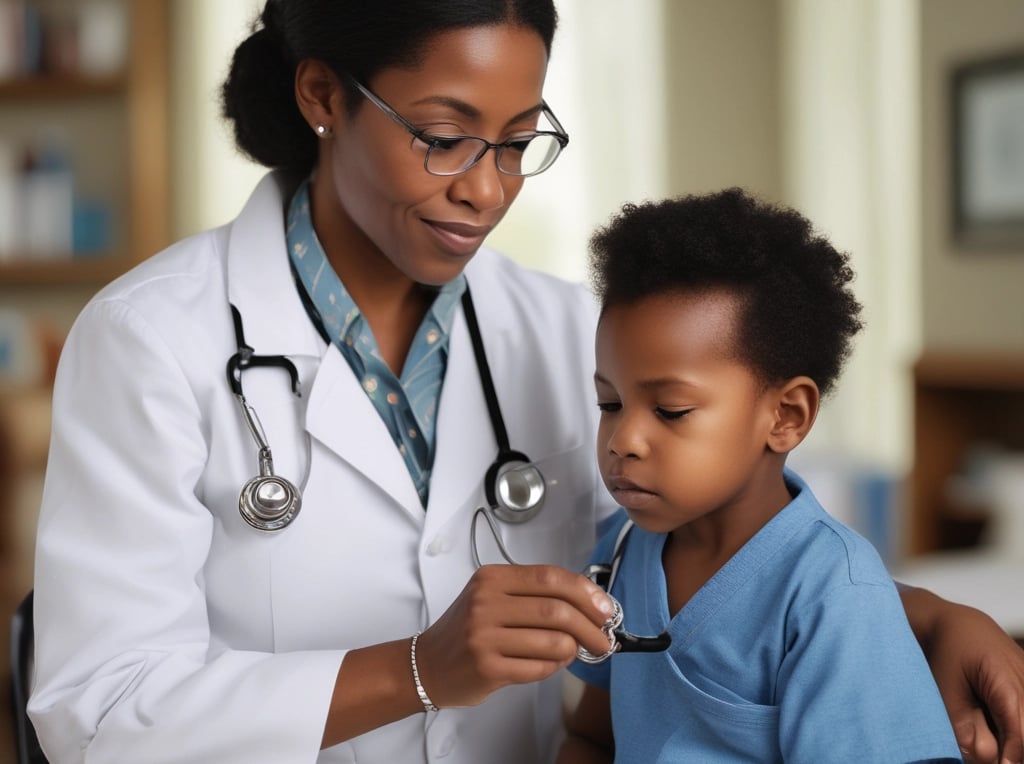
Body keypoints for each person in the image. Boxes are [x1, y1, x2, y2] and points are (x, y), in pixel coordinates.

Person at [25, 2, 1024, 763]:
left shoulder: (560, 327)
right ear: (323, 95)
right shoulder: (151, 338)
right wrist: (416, 668)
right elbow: (95, 711)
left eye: (516, 140)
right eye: (444, 134)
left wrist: (919, 612)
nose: (487, 188)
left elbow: (679, 550)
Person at [557, 189, 964, 763]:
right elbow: (593, 738)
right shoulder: (621, 552)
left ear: (786, 417)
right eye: (610, 403)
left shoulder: (832, 594)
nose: (623, 441)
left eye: (671, 411)